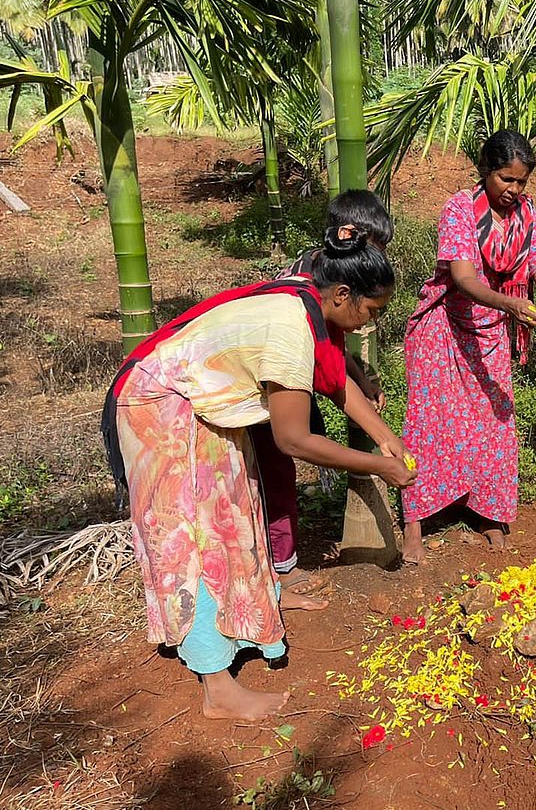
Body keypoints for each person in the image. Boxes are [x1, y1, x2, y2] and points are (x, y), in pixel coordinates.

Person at [102, 229, 417, 722]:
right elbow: (294, 438)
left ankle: (261, 601)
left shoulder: (309, 305)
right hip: (162, 408)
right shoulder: (290, 328)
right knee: (193, 542)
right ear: (342, 296)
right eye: (371, 311)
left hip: (201, 406)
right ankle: (217, 686)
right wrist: (380, 466)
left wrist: (383, 436)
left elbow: (334, 380)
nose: (369, 325)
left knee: (236, 515)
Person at [401, 129, 536, 564]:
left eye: (521, 182)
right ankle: (414, 523)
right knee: (429, 424)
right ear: (486, 172)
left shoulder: (526, 216)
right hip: (444, 329)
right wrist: (510, 303)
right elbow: (463, 279)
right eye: (506, 179)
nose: (514, 190)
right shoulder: (459, 209)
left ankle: (487, 512)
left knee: (493, 422)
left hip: (490, 330)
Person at [248, 190, 394, 596]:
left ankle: (272, 561)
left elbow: (330, 353)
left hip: (282, 382)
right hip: (266, 388)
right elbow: (293, 436)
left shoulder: (326, 286)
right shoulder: (299, 298)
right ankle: (279, 566)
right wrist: (379, 462)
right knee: (272, 469)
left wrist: (379, 425)